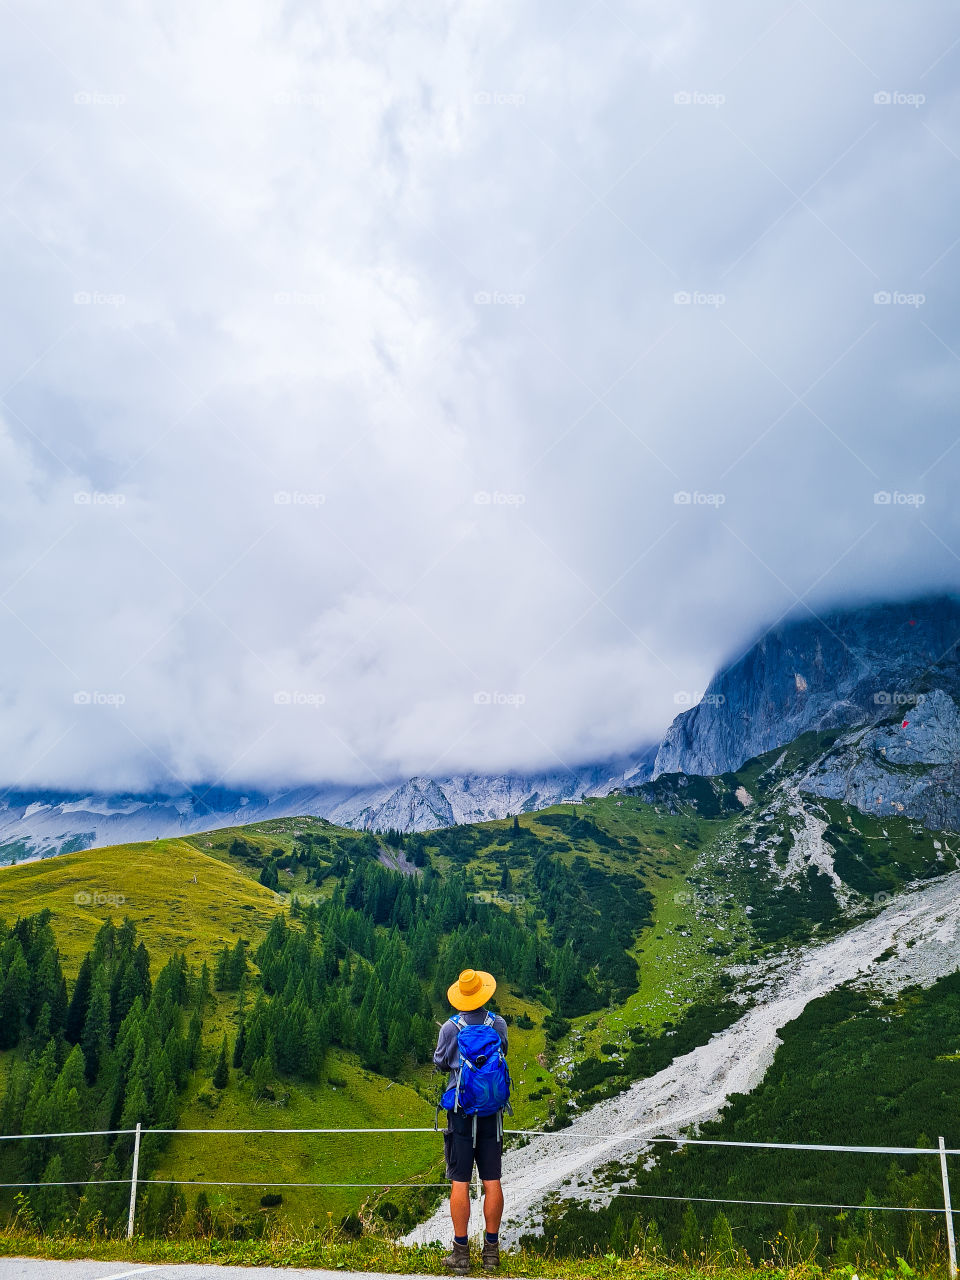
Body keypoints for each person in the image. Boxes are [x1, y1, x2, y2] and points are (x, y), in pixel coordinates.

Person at [434, 968, 509, 1272]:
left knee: (460, 1182)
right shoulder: (498, 1023)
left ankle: (460, 1253)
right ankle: (491, 1252)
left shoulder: (450, 1028)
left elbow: (440, 1062)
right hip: (491, 1113)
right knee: (492, 1181)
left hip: (462, 1112)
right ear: (484, 993)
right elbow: (503, 1053)